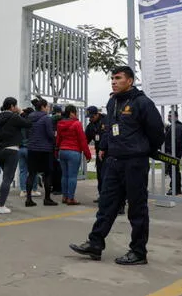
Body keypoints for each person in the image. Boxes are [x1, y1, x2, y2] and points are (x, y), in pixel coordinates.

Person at [70, 66, 164, 265]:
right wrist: (105, 147)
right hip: (114, 161)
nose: (113, 81)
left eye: (118, 78)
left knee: (136, 208)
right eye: (112, 78)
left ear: (129, 81)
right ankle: (95, 244)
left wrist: (143, 149)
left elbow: (157, 132)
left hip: (134, 163)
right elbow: (109, 130)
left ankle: (138, 252)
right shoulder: (112, 102)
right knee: (106, 204)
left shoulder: (142, 103)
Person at [0, 97, 32, 214]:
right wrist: (22, 113)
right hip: (11, 149)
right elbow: (28, 124)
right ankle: (0, 206)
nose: (17, 107)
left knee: (6, 177)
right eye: (15, 106)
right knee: (8, 178)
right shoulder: (14, 117)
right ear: (11, 106)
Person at [25, 96, 59, 207]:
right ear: (43, 107)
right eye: (47, 106)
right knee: (48, 174)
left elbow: (27, 132)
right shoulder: (46, 118)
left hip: (32, 149)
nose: (48, 108)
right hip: (45, 150)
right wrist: (54, 139)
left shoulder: (29, 117)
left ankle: (28, 199)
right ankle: (47, 199)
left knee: (31, 174)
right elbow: (50, 134)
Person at [56, 105, 92, 205]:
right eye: (75, 112)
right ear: (71, 113)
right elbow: (82, 140)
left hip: (62, 151)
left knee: (64, 175)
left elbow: (58, 139)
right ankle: (70, 198)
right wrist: (88, 154)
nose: (76, 114)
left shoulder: (60, 124)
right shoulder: (77, 124)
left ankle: (64, 196)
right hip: (74, 152)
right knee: (72, 176)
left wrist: (56, 151)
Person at [85, 105, 107, 203]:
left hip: (109, 152)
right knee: (100, 176)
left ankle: (110, 196)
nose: (91, 118)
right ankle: (102, 195)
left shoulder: (106, 121)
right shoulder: (90, 126)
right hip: (99, 154)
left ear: (97, 114)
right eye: (89, 117)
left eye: (92, 116)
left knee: (108, 176)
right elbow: (86, 140)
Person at [18, 107, 41, 197]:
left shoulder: (20, 123)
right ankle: (33, 190)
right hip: (31, 149)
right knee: (33, 171)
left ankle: (23, 190)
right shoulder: (33, 124)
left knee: (22, 171)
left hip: (20, 149)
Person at [164, 110, 182, 196]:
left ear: (176, 117)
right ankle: (177, 188)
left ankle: (175, 189)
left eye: (170, 116)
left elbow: (176, 140)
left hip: (173, 152)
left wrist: (171, 152)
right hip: (173, 152)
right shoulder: (175, 126)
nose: (169, 118)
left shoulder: (177, 127)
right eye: (168, 116)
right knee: (174, 171)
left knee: (173, 171)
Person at [50, 104, 64, 195]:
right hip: (59, 147)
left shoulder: (50, 120)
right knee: (59, 169)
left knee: (53, 168)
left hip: (52, 147)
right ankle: (58, 188)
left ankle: (54, 187)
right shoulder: (62, 121)